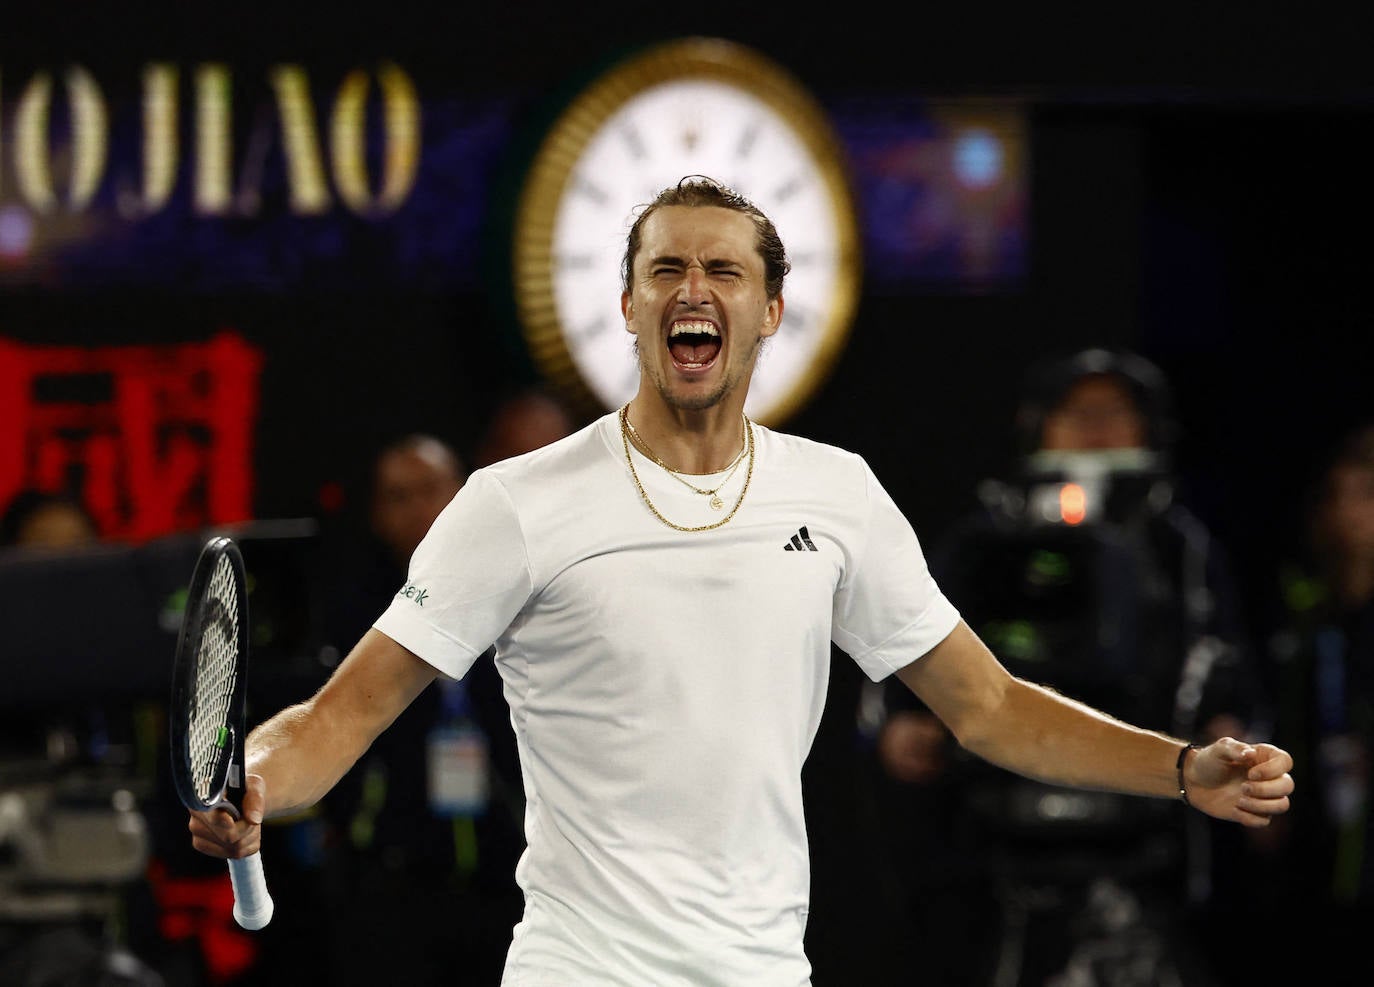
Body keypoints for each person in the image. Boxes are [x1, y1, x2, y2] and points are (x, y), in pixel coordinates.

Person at [187, 177, 1293, 985]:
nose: (691, 288)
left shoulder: (840, 495)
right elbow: (342, 718)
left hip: (766, 970)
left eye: (723, 269)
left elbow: (991, 708)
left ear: (767, 311)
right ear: (629, 307)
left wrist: (1182, 769)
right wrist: (258, 783)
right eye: (665, 268)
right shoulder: (514, 506)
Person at [875, 348, 1269, 985]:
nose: (1095, 426)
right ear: (1039, 423)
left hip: (1143, 834)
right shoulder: (982, 543)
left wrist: (1230, 727)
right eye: (1076, 410)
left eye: (1113, 411)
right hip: (994, 845)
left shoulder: (1179, 550)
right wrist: (901, 725)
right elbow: (909, 644)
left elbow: (1222, 659)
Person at [1264, 423, 1374, 983]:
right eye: (1339, 496)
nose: (1351, 513)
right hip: (1312, 848)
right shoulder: (1303, 615)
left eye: (1366, 495)